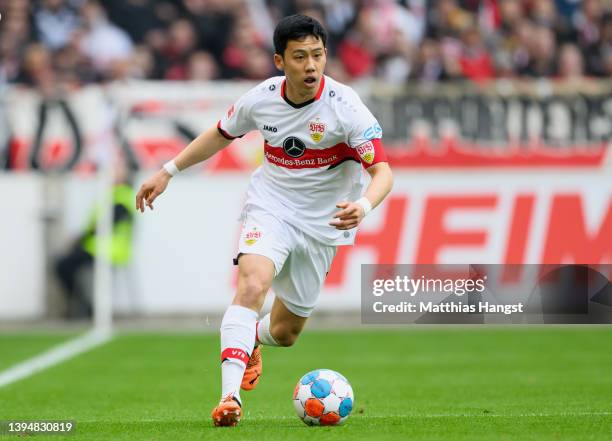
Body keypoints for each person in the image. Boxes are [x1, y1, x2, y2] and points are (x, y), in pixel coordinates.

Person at [135, 14, 393, 427]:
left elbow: (383, 172)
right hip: (270, 206)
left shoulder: (346, 108)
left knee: (286, 333)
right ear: (279, 60)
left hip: (324, 225)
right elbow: (221, 133)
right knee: (252, 284)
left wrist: (362, 206)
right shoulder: (262, 99)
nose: (311, 65)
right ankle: (229, 398)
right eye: (300, 57)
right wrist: (168, 171)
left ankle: (253, 338)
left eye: (318, 55)